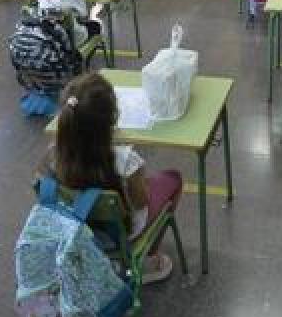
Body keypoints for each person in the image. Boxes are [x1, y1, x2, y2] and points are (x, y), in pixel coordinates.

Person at [49, 73, 182, 283]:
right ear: (113, 118)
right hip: (122, 234)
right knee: (173, 178)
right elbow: (141, 203)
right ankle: (146, 260)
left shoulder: (56, 156)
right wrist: (141, 182)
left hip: (82, 228)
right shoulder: (127, 161)